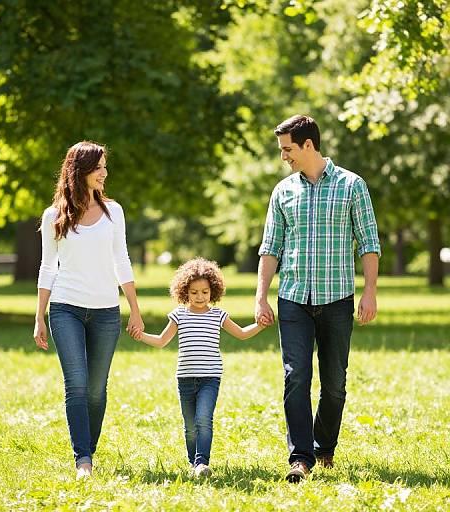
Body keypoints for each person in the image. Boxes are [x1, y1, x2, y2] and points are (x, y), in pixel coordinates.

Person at [255, 115, 381, 483]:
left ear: (308, 145)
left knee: (335, 382)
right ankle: (301, 457)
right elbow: (270, 247)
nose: (284, 157)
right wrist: (261, 296)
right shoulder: (283, 191)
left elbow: (369, 243)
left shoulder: (352, 185)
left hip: (337, 298)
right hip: (293, 298)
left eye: (287, 149)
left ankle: (323, 448)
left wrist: (370, 291)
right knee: (295, 377)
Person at [33, 141, 144, 480]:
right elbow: (48, 266)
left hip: (106, 311)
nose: (104, 173)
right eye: (98, 167)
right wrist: (40, 315)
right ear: (79, 171)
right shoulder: (54, 216)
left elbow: (121, 260)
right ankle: (83, 459)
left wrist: (135, 310)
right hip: (66, 308)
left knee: (97, 389)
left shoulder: (114, 212)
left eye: (105, 166)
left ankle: (88, 448)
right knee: (77, 384)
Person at [133, 257, 266, 477]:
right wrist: (141, 336)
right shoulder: (179, 315)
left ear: (213, 291)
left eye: (204, 292)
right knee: (190, 426)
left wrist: (260, 326)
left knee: (203, 419)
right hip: (185, 378)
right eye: (194, 292)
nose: (199, 297)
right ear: (185, 291)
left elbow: (241, 334)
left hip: (210, 378)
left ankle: (202, 462)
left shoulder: (218, 316)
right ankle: (194, 463)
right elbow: (161, 341)